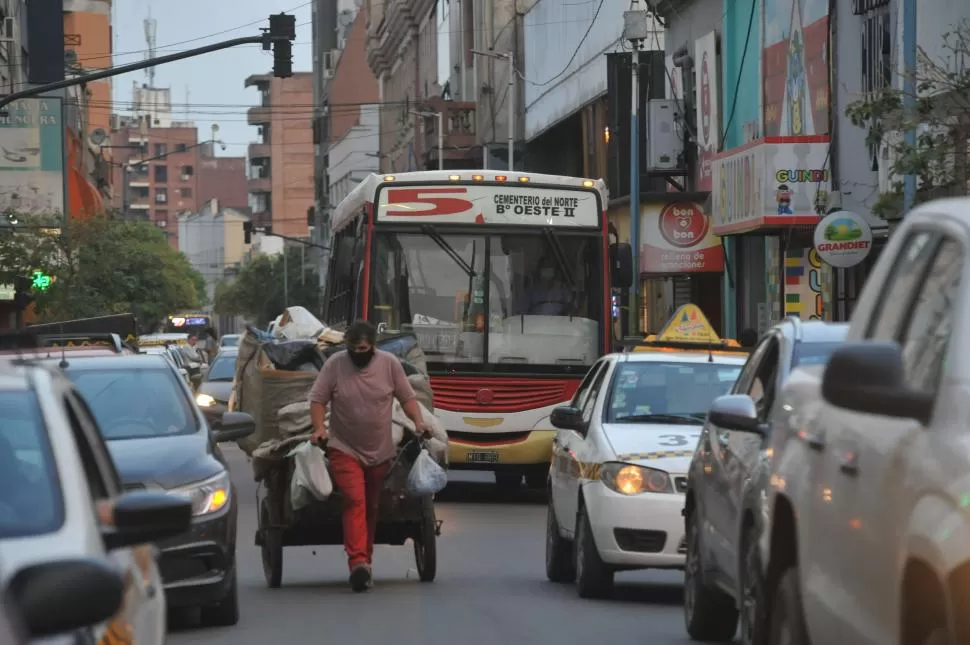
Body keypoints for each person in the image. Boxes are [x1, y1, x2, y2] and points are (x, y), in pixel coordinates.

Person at [308, 320, 431, 592]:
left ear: (373, 346)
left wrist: (419, 422)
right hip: (344, 447)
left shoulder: (389, 364)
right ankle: (358, 562)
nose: (358, 353)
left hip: (380, 451)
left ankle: (366, 563)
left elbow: (407, 398)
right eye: (353, 348)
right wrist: (319, 428)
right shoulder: (335, 365)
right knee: (355, 501)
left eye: (363, 348)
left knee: (373, 507)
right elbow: (318, 400)